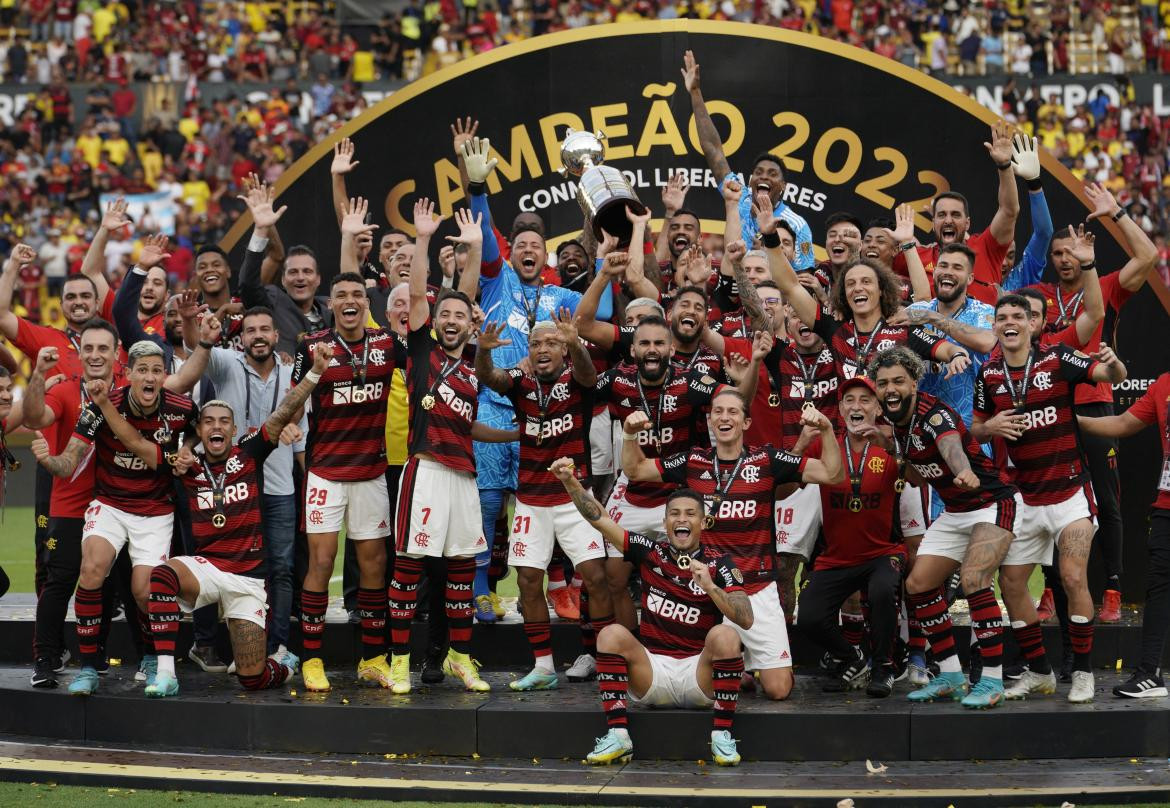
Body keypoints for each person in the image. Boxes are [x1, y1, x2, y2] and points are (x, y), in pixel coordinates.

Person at [81, 340, 331, 696]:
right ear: (199, 430)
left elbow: (283, 410)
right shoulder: (185, 466)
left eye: (224, 422)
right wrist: (109, 406)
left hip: (247, 580)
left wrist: (316, 372)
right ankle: (165, 674)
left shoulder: (250, 453)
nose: (216, 426)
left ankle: (283, 666)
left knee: (251, 679)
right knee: (161, 576)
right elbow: (137, 443)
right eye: (209, 421)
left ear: (234, 429)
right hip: (209, 570)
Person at [460, 136, 610, 621]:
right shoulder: (495, 278)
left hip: (544, 410)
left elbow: (602, 311)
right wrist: (478, 188)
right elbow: (483, 238)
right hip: (494, 399)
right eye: (520, 244)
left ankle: (560, 585)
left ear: (544, 256)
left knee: (548, 502)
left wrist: (607, 259)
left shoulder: (559, 295)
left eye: (535, 246)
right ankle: (481, 586)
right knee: (487, 502)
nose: (527, 249)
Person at [622, 386, 844, 700]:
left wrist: (827, 430)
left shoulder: (766, 459)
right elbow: (635, 469)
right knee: (707, 680)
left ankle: (740, 667)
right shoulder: (694, 461)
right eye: (718, 412)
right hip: (708, 591)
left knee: (779, 690)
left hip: (758, 588)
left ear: (746, 422)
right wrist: (629, 435)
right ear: (711, 420)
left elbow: (832, 474)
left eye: (733, 412)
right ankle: (733, 667)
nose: (725, 417)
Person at [385, 200, 517, 694]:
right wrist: (422, 239)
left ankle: (462, 658)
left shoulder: (474, 366)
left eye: (462, 313)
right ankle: (401, 661)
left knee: (462, 570)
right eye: (446, 313)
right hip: (424, 474)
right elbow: (421, 291)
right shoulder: (421, 348)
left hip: (464, 475)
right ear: (433, 320)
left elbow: (468, 429)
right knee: (408, 570)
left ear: (470, 321)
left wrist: (511, 435)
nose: (453, 319)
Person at [972, 294, 1128, 703]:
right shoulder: (988, 374)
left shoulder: (1057, 357)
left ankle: (1082, 671)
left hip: (1070, 491)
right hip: (1024, 498)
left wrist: (1113, 363)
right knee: (1011, 585)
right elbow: (975, 428)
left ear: (1030, 324)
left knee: (1073, 576)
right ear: (995, 327)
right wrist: (991, 426)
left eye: (1017, 316)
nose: (1009, 322)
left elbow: (1110, 374)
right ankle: (1040, 671)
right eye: (1002, 317)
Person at [32, 338, 210, 696]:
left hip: (155, 511)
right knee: (91, 570)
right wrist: (48, 460)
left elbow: (196, 430)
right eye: (141, 369)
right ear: (127, 374)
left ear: (165, 376)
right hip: (110, 504)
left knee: (144, 591)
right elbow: (69, 461)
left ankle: (150, 657)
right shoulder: (100, 407)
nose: (149, 377)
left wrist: (188, 449)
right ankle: (87, 668)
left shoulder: (180, 407)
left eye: (157, 370)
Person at [550, 460, 752, 767]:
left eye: (689, 514)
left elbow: (745, 617)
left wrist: (711, 587)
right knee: (611, 634)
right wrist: (569, 482)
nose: (681, 519)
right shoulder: (650, 551)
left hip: (698, 677)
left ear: (704, 521)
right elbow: (601, 519)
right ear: (666, 520)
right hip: (653, 673)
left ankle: (721, 736)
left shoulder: (721, 563)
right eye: (674, 513)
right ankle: (618, 737)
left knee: (725, 634)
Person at [1027, 183, 1156, 621]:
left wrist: (1116, 212)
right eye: (1058, 252)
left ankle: (1114, 588)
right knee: (1048, 500)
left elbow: (1148, 259)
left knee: (1107, 499)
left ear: (1085, 251)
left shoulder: (1102, 285)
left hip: (1095, 403)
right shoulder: (1037, 296)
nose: (1064, 258)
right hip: (1049, 407)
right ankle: (1049, 591)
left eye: (1072, 251)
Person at [871, 346, 1022, 709]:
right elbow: (916, 474)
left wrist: (962, 469)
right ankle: (951, 677)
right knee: (918, 584)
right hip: (956, 511)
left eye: (898, 382)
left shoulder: (933, 414)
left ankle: (992, 681)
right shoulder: (894, 422)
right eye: (882, 383)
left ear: (913, 383)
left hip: (991, 502)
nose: (890, 389)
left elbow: (950, 445)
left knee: (974, 581)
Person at [476, 316, 615, 690]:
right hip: (532, 499)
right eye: (537, 343)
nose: (543, 349)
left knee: (596, 577)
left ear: (565, 349)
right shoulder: (521, 382)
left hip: (574, 496)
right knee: (528, 580)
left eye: (552, 343)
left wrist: (576, 343)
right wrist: (483, 355)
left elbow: (588, 376)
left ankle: (605, 660)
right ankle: (543, 667)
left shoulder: (578, 379)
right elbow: (491, 379)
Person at [293, 271, 399, 693]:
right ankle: (312, 659)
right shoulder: (311, 346)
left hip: (371, 471)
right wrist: (314, 375)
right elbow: (296, 397)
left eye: (358, 293)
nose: (350, 300)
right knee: (320, 563)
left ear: (368, 301)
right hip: (326, 470)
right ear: (331, 303)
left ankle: (372, 659)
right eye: (341, 295)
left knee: (374, 566)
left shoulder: (389, 344)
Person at [796, 376, 926, 697]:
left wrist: (892, 446)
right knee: (809, 616)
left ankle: (884, 666)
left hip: (882, 551)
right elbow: (786, 487)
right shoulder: (824, 444)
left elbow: (920, 479)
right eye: (849, 400)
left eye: (865, 400)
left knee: (882, 591)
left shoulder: (890, 441)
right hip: (836, 557)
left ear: (878, 408)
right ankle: (852, 658)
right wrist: (800, 444)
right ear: (839, 410)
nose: (857, 406)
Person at [595, 315, 722, 629]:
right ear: (634, 350)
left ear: (672, 347)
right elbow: (577, 389)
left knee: (695, 576)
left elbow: (731, 400)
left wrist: (749, 373)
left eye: (659, 343)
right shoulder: (616, 380)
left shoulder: (691, 378)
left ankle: (687, 647)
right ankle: (632, 652)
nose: (652, 349)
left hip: (678, 492)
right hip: (634, 488)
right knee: (614, 580)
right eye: (645, 343)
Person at [23, 323, 116, 688]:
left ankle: (97, 654)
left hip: (114, 507)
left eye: (103, 348)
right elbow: (34, 417)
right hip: (68, 506)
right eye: (88, 348)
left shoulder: (126, 392)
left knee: (109, 585)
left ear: (115, 353)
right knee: (59, 582)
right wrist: (38, 376)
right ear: (80, 354)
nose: (95, 355)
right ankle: (45, 658)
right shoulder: (62, 391)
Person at [1078, 372, 1170, 698]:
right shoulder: (1163, 384)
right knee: (1159, 585)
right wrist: (1070, 420)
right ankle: (1150, 674)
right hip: (1167, 504)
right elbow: (1121, 424)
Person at [682, 50, 815, 269]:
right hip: (735, 288)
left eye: (772, 174)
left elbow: (804, 277)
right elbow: (712, 149)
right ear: (751, 180)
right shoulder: (739, 196)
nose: (763, 176)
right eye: (759, 172)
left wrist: (767, 251)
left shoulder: (797, 225)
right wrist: (695, 92)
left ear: (782, 186)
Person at [891, 125, 1024, 305]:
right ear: (933, 221)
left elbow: (1009, 211)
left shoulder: (986, 247)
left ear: (967, 223)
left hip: (982, 332)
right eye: (942, 215)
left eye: (955, 215)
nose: (948, 220)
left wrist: (1004, 165)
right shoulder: (914, 256)